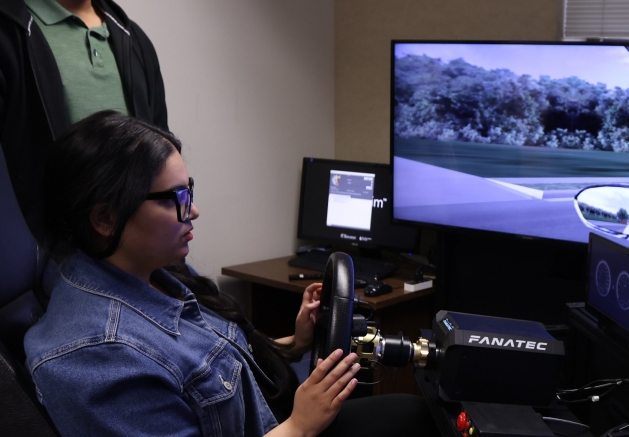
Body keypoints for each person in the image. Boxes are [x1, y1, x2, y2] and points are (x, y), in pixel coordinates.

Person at [24, 111, 436, 437]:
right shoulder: (96, 357)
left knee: (414, 411)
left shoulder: (157, 274)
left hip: (276, 418)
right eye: (177, 199)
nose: (194, 211)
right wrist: (300, 426)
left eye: (190, 191)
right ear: (105, 219)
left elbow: (208, 373)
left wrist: (295, 342)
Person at [0, 0, 167, 236]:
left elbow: (160, 154)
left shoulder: (133, 39)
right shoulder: (0, 33)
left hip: (134, 257)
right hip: (39, 266)